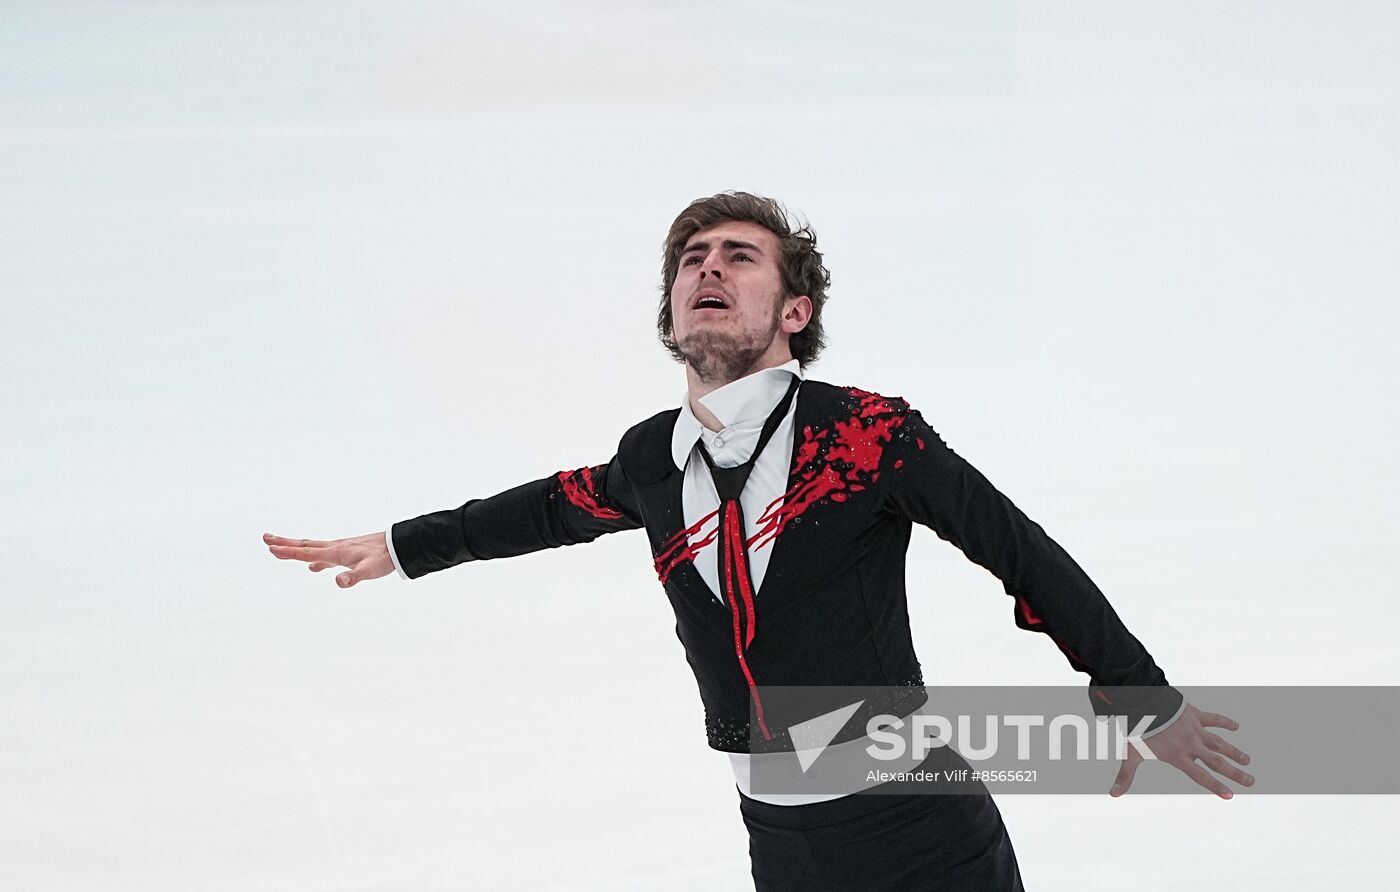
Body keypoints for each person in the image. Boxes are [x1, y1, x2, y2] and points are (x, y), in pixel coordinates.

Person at [265, 191, 1253, 890]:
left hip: (913, 823)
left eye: (737, 256)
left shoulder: (866, 432)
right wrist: (403, 543)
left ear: (793, 311)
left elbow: (1020, 552)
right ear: (669, 310)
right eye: (691, 260)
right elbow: (550, 508)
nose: (706, 267)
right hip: (779, 840)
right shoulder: (651, 458)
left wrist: (1137, 694)